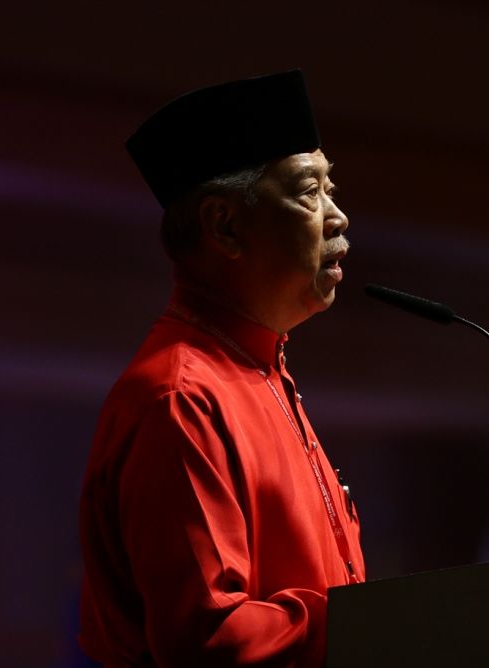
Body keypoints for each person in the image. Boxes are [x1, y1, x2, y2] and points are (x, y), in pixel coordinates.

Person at [78, 70, 365, 667]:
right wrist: (381, 627)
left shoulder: (262, 371)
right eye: (310, 191)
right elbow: (210, 640)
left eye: (331, 190)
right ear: (225, 226)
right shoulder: (179, 398)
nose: (338, 217)